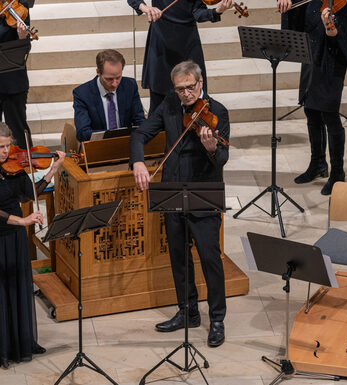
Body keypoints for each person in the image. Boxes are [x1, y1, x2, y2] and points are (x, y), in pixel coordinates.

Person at [130, 61, 229, 347]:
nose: (185, 94)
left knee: (210, 259)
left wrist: (212, 149)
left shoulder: (218, 112)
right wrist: (138, 161)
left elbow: (222, 158)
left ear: (200, 83)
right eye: (180, 89)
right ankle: (187, 311)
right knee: (178, 256)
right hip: (173, 191)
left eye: (190, 87)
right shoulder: (169, 106)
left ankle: (218, 318)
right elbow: (140, 134)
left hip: (203, 195)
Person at [278, 0, 347, 195]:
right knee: (310, 109)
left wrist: (332, 32)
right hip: (312, 50)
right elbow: (299, 16)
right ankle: (317, 163)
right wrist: (287, 3)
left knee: (329, 114)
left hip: (333, 57)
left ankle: (338, 173)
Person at [0, 122, 65, 368]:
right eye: (0, 147)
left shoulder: (13, 168)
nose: (5, 152)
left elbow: (31, 193)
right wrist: (22, 220)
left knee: (17, 287)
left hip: (15, 237)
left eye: (8, 146)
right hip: (2, 232)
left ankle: (19, 343)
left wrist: (53, 169)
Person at [126, 0, 234, 115]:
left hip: (187, 43)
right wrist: (145, 8)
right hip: (161, 42)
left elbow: (197, 12)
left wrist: (218, 11)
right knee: (159, 100)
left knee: (194, 94)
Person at [73, 49, 145, 142]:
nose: (115, 84)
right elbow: (83, 133)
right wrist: (111, 136)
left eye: (118, 77)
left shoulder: (130, 86)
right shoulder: (82, 94)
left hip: (127, 144)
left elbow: (139, 121)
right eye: (109, 79)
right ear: (98, 72)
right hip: (97, 147)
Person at [0, 3, 33, 150]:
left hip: (13, 81)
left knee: (18, 129)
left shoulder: (19, 8)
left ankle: (25, 169)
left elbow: (25, 46)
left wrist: (22, 37)